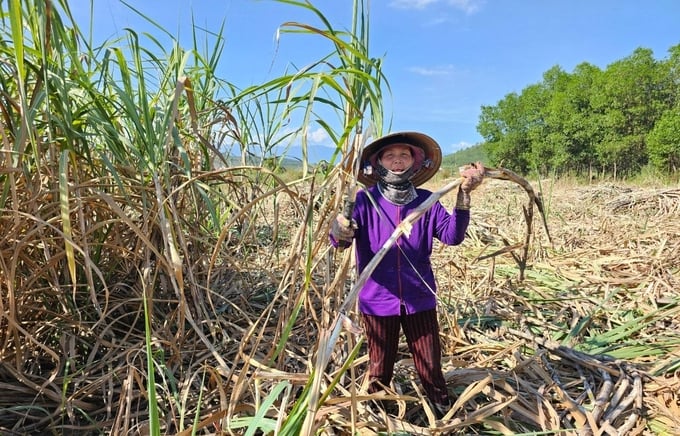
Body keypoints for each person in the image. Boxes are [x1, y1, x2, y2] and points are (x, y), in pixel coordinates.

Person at [329, 131, 484, 419]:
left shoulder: (427, 201)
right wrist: (339, 229)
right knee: (379, 367)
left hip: (419, 299)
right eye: (390, 156)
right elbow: (340, 241)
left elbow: (452, 237)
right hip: (376, 300)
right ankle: (375, 416)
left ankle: (442, 414)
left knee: (429, 365)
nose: (397, 161)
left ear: (415, 161)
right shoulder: (365, 201)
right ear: (378, 163)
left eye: (404, 155)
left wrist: (464, 196)